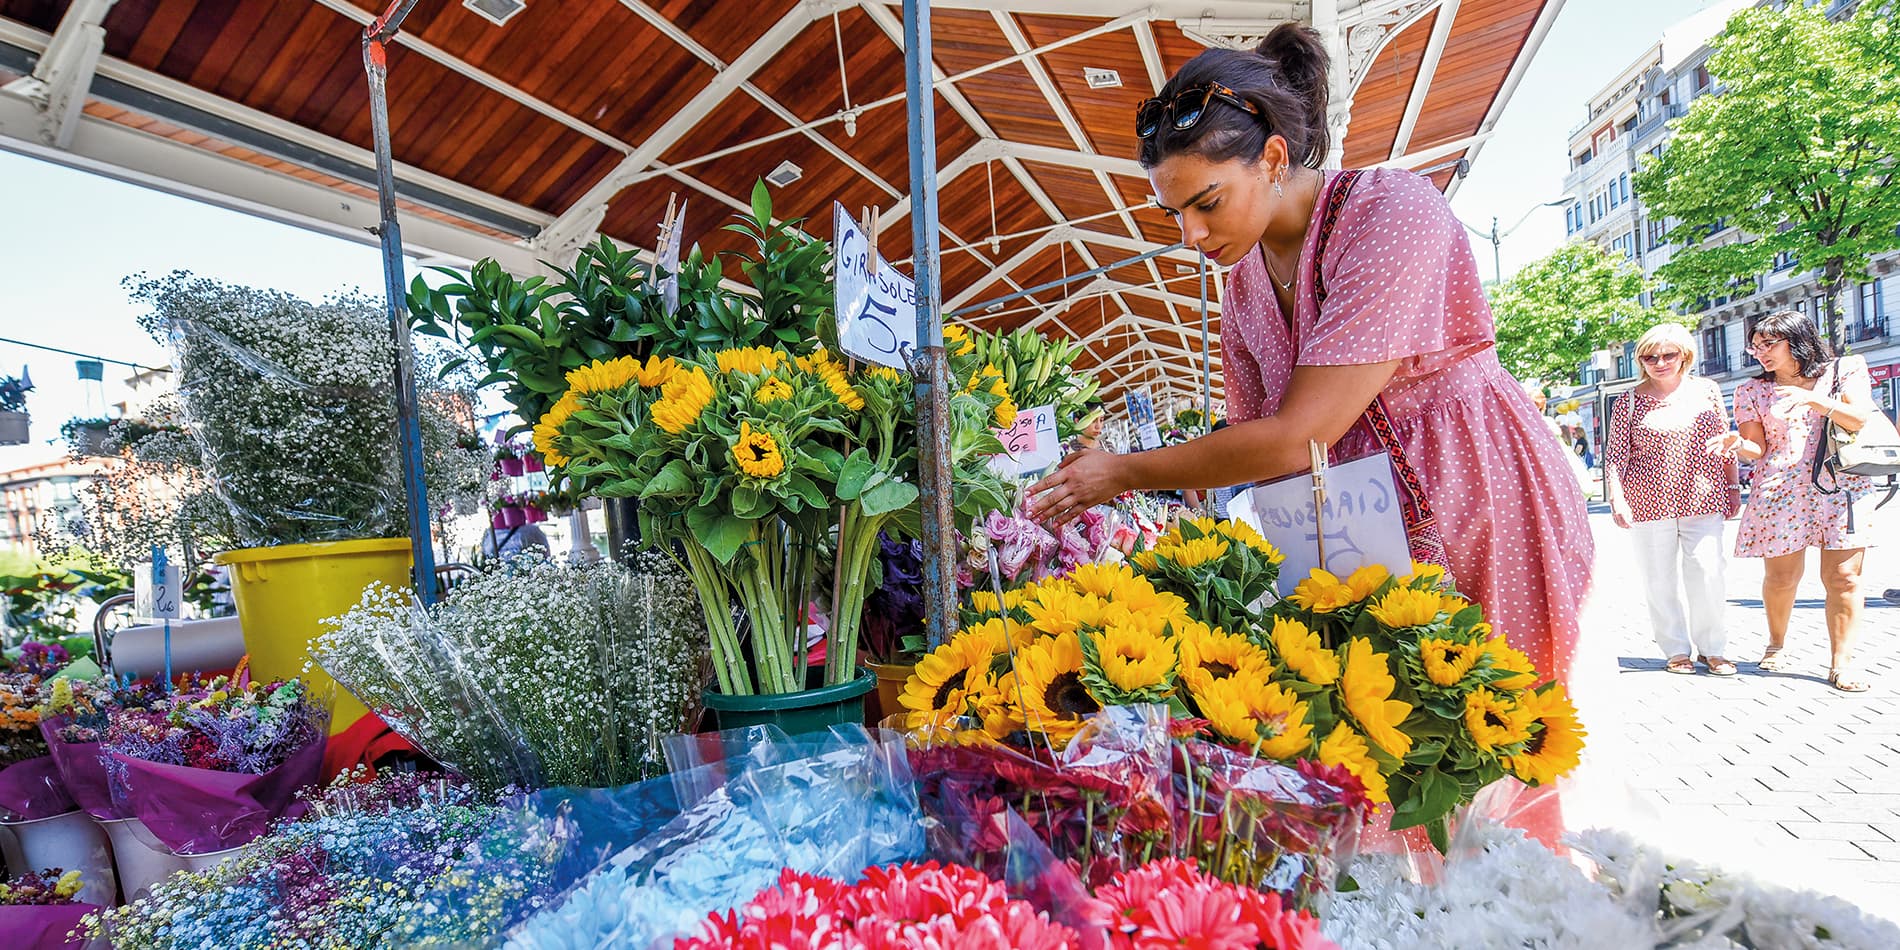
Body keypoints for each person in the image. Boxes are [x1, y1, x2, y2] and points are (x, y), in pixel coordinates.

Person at [1027, 24, 1593, 685]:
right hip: (1359, 544)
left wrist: (1124, 472)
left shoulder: (1389, 210)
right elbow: (1253, 443)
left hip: (1478, 499)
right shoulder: (1241, 287)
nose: (1191, 235)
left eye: (1207, 202)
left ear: (1271, 159)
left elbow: (1300, 438)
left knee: (1506, 721)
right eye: (1174, 213)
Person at [1708, 311, 1878, 691]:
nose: (1760, 353)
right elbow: (1758, 446)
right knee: (1782, 578)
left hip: (1841, 486)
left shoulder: (1844, 370)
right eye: (1755, 346)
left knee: (1844, 577)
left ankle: (1842, 663)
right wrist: (1738, 444)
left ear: (1797, 340)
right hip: (1782, 489)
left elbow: (1858, 418)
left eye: (1769, 344)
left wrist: (1813, 400)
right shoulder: (1752, 390)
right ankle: (1776, 643)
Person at [1605, 323, 1739, 676]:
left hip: (1702, 496)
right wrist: (1618, 499)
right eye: (1650, 356)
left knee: (1709, 573)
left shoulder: (1707, 390)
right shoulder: (1629, 401)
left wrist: (1733, 486)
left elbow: (1726, 443)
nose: (1659, 362)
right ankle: (1676, 649)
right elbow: (1616, 455)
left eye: (1668, 355)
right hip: (1649, 501)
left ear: (1685, 356)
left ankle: (1713, 649)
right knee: (1659, 579)